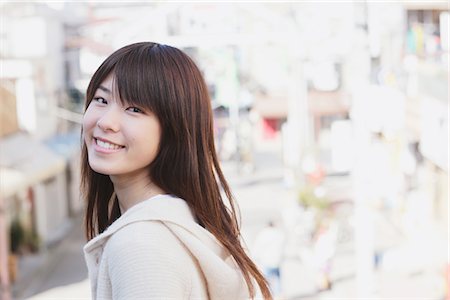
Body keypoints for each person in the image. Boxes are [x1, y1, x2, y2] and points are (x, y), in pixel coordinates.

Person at [81, 42, 272, 300]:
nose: (105, 122)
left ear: (174, 128)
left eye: (134, 109)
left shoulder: (139, 245)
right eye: (101, 100)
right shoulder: (184, 221)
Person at [252, 222, 286, 297]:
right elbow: (283, 245)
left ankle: (269, 295)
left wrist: (255, 257)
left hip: (267, 261)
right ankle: (280, 295)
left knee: (267, 281)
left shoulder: (263, 234)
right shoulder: (278, 233)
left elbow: (257, 247)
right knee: (277, 280)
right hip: (277, 260)